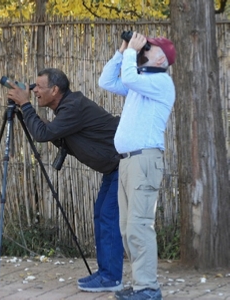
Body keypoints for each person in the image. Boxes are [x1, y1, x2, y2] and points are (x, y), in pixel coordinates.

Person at [6, 68, 124, 292]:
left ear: (55, 89)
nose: (35, 91)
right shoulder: (67, 108)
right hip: (114, 167)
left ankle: (112, 278)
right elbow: (50, 132)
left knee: (108, 217)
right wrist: (27, 106)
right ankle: (107, 274)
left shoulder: (72, 108)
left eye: (39, 87)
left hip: (124, 164)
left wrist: (26, 105)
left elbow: (42, 135)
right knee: (102, 214)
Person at [98, 32, 176, 300]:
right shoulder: (139, 83)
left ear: (161, 58)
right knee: (126, 228)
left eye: (149, 48)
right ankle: (142, 283)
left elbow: (129, 76)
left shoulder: (162, 81)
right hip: (128, 162)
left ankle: (149, 289)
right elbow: (106, 80)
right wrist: (122, 49)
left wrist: (132, 52)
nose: (144, 49)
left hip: (144, 160)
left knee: (139, 226)